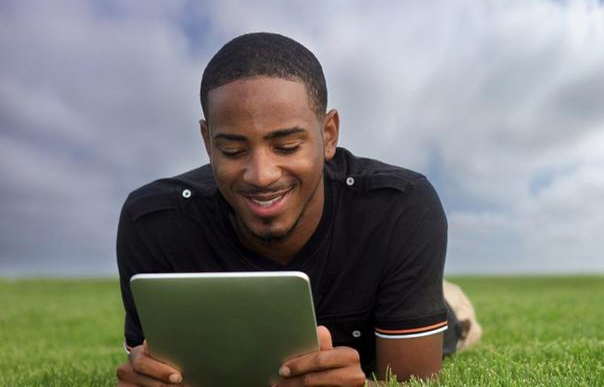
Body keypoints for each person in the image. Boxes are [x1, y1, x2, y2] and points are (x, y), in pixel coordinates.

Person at [115, 32, 474, 386]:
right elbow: (149, 364)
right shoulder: (153, 220)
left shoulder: (400, 206)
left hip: (383, 326)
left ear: (329, 134)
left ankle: (446, 301)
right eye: (233, 150)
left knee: (446, 320)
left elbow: (413, 381)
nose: (261, 175)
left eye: (286, 146)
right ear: (208, 142)